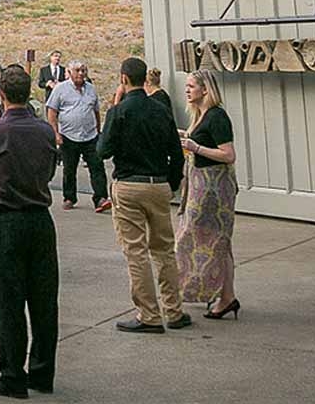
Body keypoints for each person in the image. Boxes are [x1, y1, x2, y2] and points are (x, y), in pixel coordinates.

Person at [0, 64, 60, 399]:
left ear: (2, 95)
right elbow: (50, 167)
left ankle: (12, 373)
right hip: (40, 217)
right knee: (44, 299)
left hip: (8, 218)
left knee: (8, 299)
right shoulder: (43, 131)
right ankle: (42, 371)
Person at [99, 56, 188, 333]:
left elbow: (103, 151)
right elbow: (176, 151)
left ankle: (149, 314)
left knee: (136, 251)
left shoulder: (119, 112)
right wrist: (170, 182)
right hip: (158, 183)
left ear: (124, 79)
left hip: (129, 184)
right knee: (164, 249)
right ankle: (173, 310)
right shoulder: (161, 110)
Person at [175, 68, 240, 320]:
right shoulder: (201, 116)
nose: (187, 90)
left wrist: (195, 147)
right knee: (219, 243)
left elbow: (228, 154)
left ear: (205, 89)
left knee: (199, 240)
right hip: (200, 186)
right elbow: (198, 139)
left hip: (213, 190)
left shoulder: (217, 116)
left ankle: (211, 293)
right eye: (187, 86)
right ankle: (227, 297)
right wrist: (185, 135)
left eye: (191, 86)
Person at [45, 61, 107, 213]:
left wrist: (98, 130)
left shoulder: (91, 89)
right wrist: (56, 133)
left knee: (97, 167)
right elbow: (52, 112)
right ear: (70, 72)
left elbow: (96, 111)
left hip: (90, 135)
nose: (81, 73)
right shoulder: (60, 89)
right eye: (77, 70)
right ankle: (69, 197)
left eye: (83, 70)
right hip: (68, 136)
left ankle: (101, 198)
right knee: (69, 169)